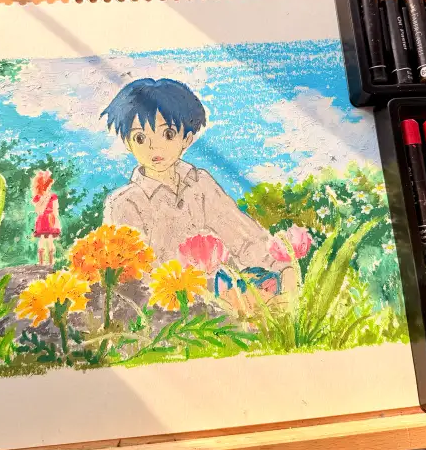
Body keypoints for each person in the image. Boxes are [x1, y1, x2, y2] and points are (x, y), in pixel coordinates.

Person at [100, 78, 295, 293]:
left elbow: (242, 235)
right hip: (164, 305)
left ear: (187, 139)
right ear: (128, 143)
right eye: (140, 138)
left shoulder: (200, 184)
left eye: (168, 134)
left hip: (221, 298)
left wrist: (283, 268)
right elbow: (134, 279)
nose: (154, 147)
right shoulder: (124, 203)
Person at [31, 170, 61, 266]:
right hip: (45, 219)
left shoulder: (52, 196)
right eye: (48, 185)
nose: (49, 187)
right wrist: (43, 200)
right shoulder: (40, 197)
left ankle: (49, 262)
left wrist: (56, 221)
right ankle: (43, 262)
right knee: (43, 238)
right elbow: (38, 210)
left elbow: (55, 210)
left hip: (48, 218)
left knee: (48, 239)